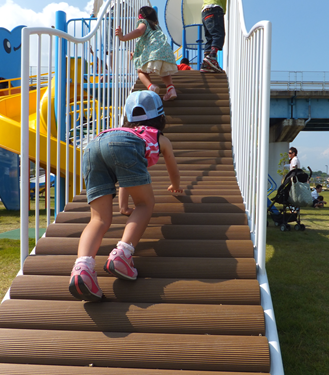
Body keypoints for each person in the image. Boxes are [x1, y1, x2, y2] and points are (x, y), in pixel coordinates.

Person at [69, 90, 183, 302]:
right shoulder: (160, 138)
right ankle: (122, 254)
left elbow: (124, 177)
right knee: (145, 204)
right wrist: (175, 186)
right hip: (125, 148)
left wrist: (122, 207)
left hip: (94, 146)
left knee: (99, 219)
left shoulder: (125, 130)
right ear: (161, 117)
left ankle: (82, 268)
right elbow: (172, 168)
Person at [115, 6, 178, 101]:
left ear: (140, 17)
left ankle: (151, 87)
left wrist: (123, 37)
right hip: (165, 51)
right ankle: (171, 89)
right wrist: (136, 54)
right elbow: (146, 44)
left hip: (154, 51)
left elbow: (139, 31)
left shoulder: (143, 22)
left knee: (140, 70)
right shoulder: (156, 28)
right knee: (164, 71)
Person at [200, 0, 226, 73]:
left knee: (210, 39)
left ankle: (206, 65)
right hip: (214, 8)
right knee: (218, 34)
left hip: (204, 12)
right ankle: (212, 57)